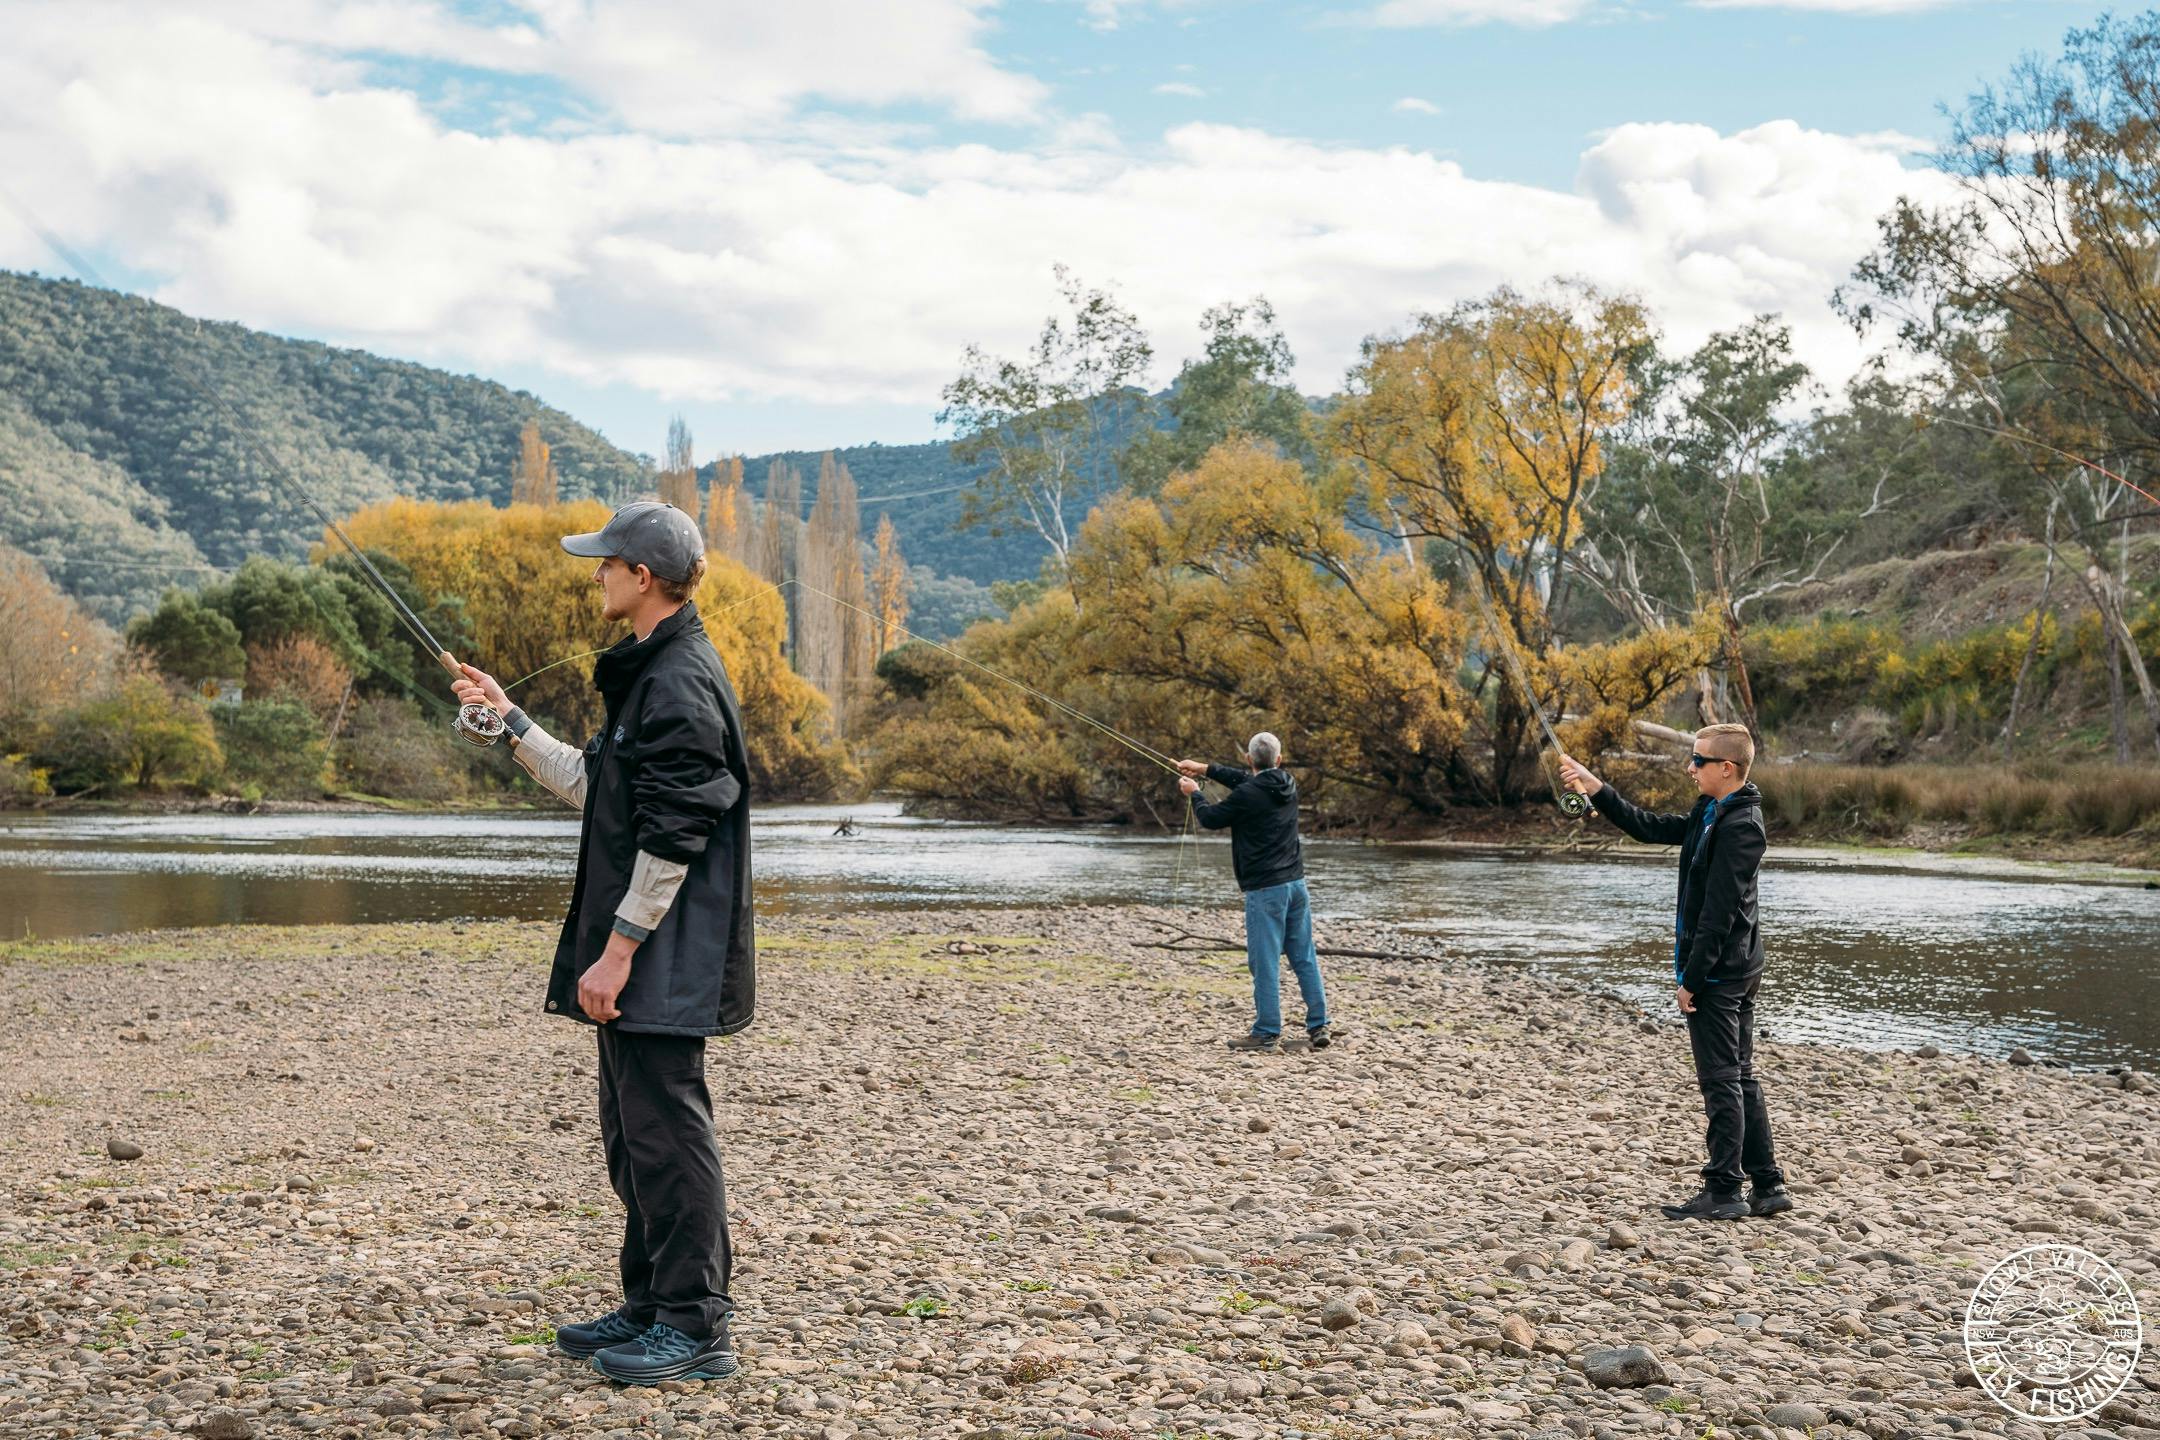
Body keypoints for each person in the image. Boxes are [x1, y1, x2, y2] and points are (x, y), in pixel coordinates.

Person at [452, 500, 754, 1383]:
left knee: (668, 1129)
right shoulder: (647, 672)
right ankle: (653, 1303)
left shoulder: (679, 681)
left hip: (668, 949)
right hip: (650, 946)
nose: (595, 573)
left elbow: (674, 831)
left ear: (642, 576)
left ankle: (697, 1327)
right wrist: (509, 720)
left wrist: (619, 948)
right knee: (632, 1131)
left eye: (605, 562)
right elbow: (599, 787)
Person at [1557, 725, 1791, 1223]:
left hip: (1723, 972)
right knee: (1741, 1074)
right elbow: (1649, 826)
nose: (1690, 767)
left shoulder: (1742, 825)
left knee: (1721, 1078)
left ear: (1726, 768)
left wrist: (1692, 979)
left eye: (1698, 760)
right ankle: (1768, 1184)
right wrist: (1596, 787)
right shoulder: (1711, 810)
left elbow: (1719, 914)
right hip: (1735, 967)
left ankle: (1725, 1189)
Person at [1177, 733, 1331, 1054]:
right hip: (1296, 886)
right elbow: (1243, 780)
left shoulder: (1247, 794)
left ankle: (1266, 1031)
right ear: (1279, 760)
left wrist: (1194, 794)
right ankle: (1319, 1026)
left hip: (1266, 890)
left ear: (1249, 759)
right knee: (1303, 956)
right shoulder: (1286, 782)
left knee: (1264, 962)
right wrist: (1203, 769)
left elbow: (1210, 818)